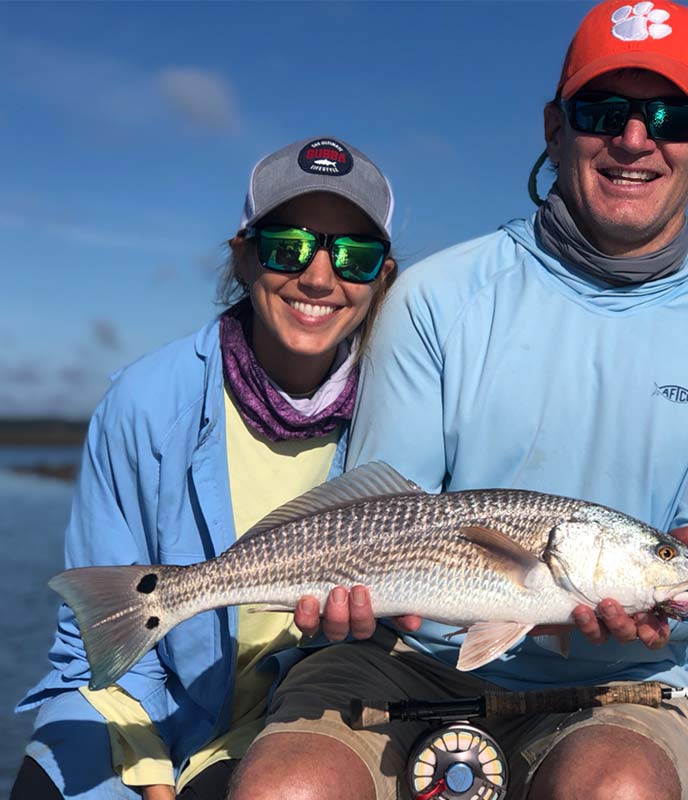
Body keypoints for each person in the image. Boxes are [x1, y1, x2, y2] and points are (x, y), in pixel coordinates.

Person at [229, 3, 688, 800]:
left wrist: (670, 610)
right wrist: (362, 597)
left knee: (619, 790)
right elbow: (389, 503)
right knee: (287, 789)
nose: (635, 140)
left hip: (623, 678)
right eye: (603, 112)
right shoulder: (436, 295)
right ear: (554, 128)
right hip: (398, 656)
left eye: (669, 117)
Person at [11, 135, 399, 800]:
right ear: (243, 255)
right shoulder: (142, 400)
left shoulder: (406, 407)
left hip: (299, 713)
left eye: (356, 257)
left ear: (383, 279)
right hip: (139, 701)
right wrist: (149, 774)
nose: (318, 277)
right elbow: (97, 642)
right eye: (289, 246)